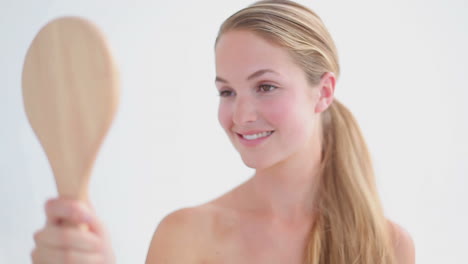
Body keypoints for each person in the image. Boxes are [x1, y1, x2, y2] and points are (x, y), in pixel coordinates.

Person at [31, 0, 415, 263]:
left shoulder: (387, 246)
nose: (241, 115)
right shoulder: (184, 235)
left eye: (265, 86)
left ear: (324, 91)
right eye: (226, 91)